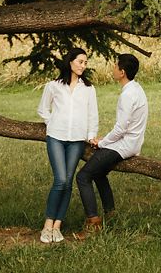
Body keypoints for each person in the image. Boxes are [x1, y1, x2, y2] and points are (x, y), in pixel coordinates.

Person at [74, 52, 148, 239]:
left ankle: (93, 223)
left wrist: (102, 142)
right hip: (131, 142)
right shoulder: (137, 89)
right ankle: (111, 214)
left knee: (83, 177)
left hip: (124, 145)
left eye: (116, 66)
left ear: (122, 72)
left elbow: (121, 128)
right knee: (98, 173)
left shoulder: (127, 95)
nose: (113, 69)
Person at [36, 47, 98, 244]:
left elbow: (92, 114)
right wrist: (52, 122)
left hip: (77, 140)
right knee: (60, 180)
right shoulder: (54, 85)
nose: (83, 65)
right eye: (80, 61)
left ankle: (57, 226)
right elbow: (43, 109)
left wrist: (90, 135)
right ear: (70, 61)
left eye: (85, 63)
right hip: (56, 136)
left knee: (69, 181)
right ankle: (47, 225)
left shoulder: (88, 88)